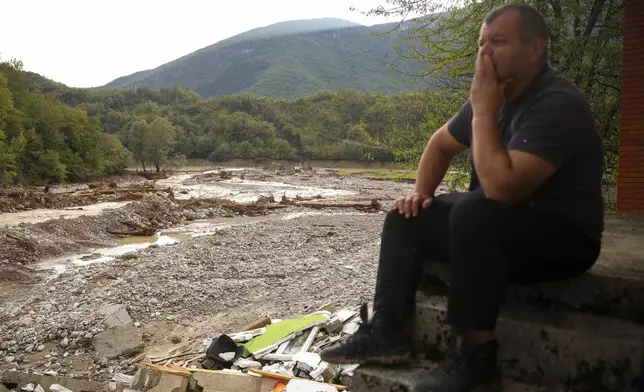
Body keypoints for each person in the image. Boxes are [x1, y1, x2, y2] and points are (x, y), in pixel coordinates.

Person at [320, 4, 604, 392]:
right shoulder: (491, 96)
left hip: (563, 237)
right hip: (498, 226)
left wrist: (485, 111)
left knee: (475, 209)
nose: (485, 53)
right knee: (405, 217)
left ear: (535, 48)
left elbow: (503, 188)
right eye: (481, 43)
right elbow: (439, 146)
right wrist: (420, 195)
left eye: (498, 42)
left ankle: (474, 357)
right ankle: (387, 330)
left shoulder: (557, 103)